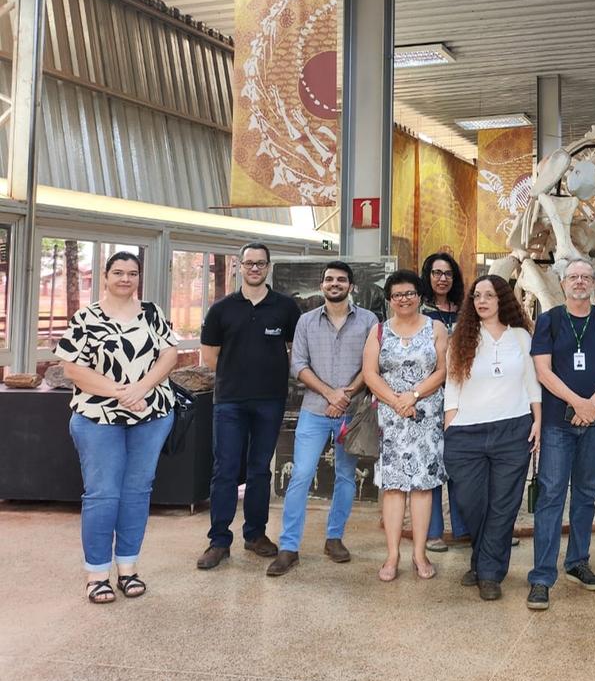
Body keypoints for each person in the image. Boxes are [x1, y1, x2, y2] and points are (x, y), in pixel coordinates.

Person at [56, 252, 179, 603]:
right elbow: (73, 369)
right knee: (103, 494)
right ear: (105, 276)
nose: (126, 278)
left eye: (133, 273)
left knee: (137, 492)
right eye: (119, 272)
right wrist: (123, 393)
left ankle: (128, 569)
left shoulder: (152, 314)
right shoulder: (86, 317)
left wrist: (142, 388)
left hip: (151, 416)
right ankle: (97, 574)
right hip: (97, 418)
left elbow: (169, 355)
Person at [526, 258, 595, 611]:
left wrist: (593, 404)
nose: (579, 282)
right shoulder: (549, 320)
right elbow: (542, 370)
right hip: (558, 423)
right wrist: (577, 403)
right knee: (552, 495)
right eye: (573, 277)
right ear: (562, 283)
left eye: (585, 277)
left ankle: (578, 561)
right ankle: (541, 576)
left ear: (594, 284)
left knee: (585, 494)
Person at [197, 243, 302, 570]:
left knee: (259, 470)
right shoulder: (222, 309)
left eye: (260, 263)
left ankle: (255, 534)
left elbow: (294, 349)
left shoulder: (285, 307)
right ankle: (218, 540)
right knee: (225, 469)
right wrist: (236, 377)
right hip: (229, 401)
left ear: (268, 267)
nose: (255, 268)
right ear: (239, 267)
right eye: (249, 263)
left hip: (270, 401)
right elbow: (210, 354)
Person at [267, 261, 376, 577]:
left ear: (351, 286)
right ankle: (289, 547)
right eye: (329, 279)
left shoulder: (369, 321)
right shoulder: (305, 322)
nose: (335, 283)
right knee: (300, 474)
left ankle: (334, 538)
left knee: (345, 476)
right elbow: (298, 365)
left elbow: (372, 366)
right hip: (315, 410)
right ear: (323, 284)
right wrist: (331, 394)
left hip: (351, 414)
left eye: (341, 279)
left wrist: (345, 395)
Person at [442, 275, 541, 601]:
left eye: (489, 295)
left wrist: (537, 419)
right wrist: (450, 422)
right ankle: (482, 560)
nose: (481, 301)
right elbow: (452, 385)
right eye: (476, 296)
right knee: (472, 503)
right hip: (466, 432)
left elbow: (531, 383)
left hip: (513, 429)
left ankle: (488, 573)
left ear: (502, 299)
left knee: (503, 506)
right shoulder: (462, 337)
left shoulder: (521, 337)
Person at [363, 269, 448, 582]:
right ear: (389, 300)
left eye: (409, 293)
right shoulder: (379, 332)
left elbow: (442, 370)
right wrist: (396, 401)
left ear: (420, 296)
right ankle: (393, 555)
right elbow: (370, 373)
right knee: (395, 487)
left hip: (426, 416)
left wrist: (412, 396)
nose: (404, 299)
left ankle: (419, 553)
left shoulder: (436, 328)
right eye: (397, 295)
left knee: (423, 487)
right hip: (392, 417)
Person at [419, 252, 469, 552]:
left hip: (463, 394)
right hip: (429, 395)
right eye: (436, 272)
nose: (442, 278)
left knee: (463, 462)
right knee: (433, 462)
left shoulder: (465, 311)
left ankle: (464, 527)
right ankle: (434, 531)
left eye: (448, 273)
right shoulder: (419, 312)